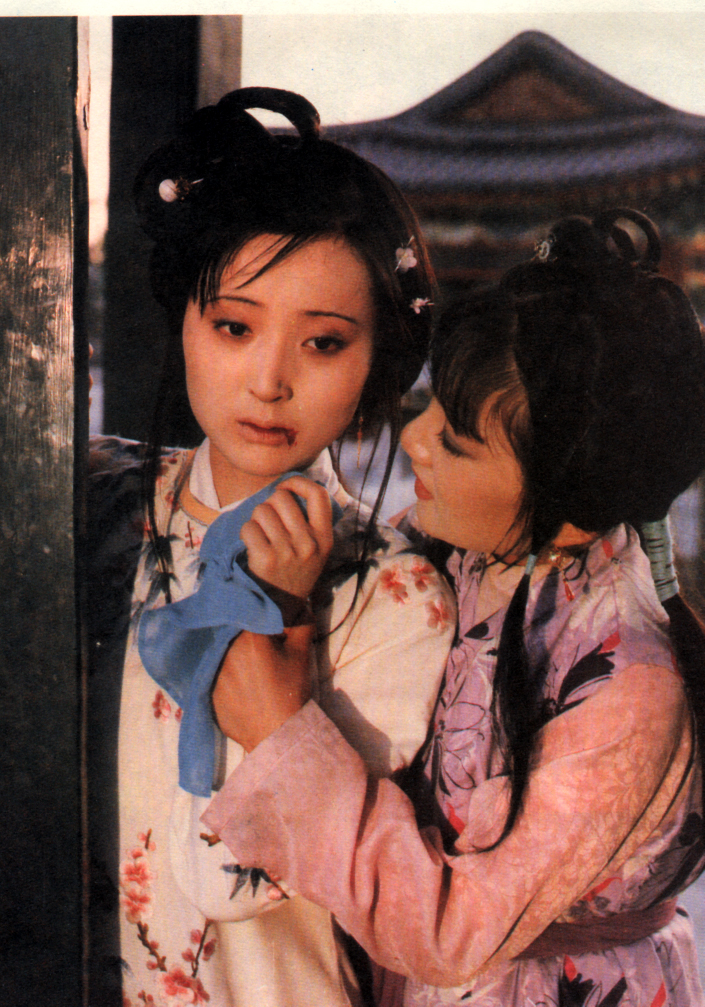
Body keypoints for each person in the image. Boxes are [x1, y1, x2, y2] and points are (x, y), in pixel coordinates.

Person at [203, 210, 705, 1007]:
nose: (414, 439)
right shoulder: (458, 547)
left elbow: (451, 930)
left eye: (457, 441)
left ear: (564, 490)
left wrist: (280, 737)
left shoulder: (631, 685)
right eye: (432, 405)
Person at [84, 87, 455, 1007]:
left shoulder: (396, 594)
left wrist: (274, 612)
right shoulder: (96, 501)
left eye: (323, 343)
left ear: (376, 361)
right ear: (184, 318)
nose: (268, 379)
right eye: (234, 326)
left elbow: (227, 879)